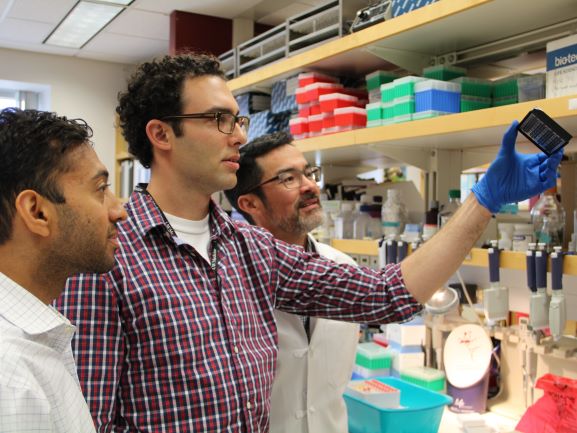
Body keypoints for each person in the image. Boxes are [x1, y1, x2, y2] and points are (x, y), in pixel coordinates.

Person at [55, 53, 563, 433]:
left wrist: (484, 199)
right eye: (218, 120)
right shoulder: (106, 253)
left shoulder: (247, 248)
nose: (237, 136)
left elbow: (384, 293)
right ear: (161, 135)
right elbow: (87, 417)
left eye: (238, 119)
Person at [0, 108, 127, 433]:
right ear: (37, 211)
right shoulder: (11, 378)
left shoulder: (37, 335)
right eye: (100, 189)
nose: (119, 210)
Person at [224, 131, 359, 433]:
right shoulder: (229, 284)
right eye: (288, 179)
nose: (310, 186)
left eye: (309, 173)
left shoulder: (343, 267)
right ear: (250, 203)